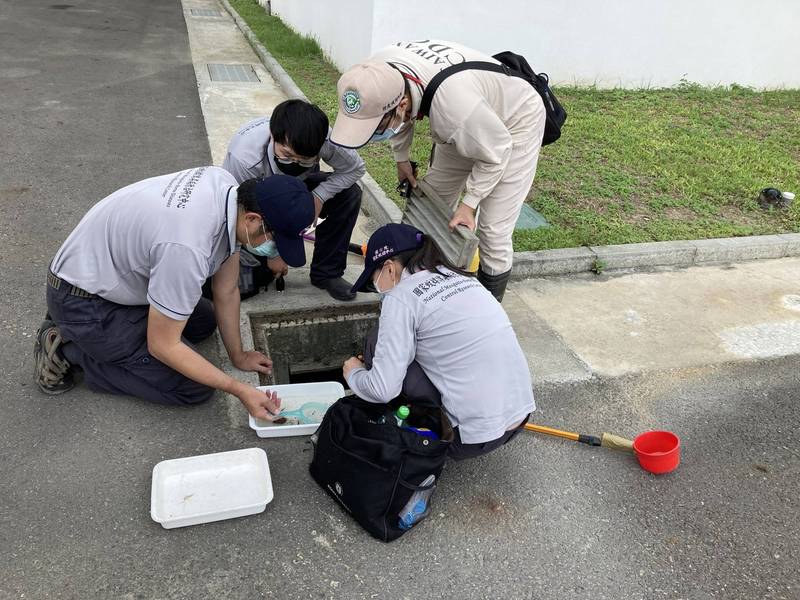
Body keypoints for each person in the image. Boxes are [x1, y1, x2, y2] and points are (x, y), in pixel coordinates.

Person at [34, 167, 314, 421]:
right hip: (83, 302)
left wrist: (238, 356)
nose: (274, 250)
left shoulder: (227, 188)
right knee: (195, 388)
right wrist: (238, 389)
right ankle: (68, 350)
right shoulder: (187, 247)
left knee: (205, 321)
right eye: (275, 240)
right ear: (252, 219)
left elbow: (226, 289)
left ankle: (126, 330)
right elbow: (163, 345)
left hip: (110, 277)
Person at [329, 40, 547, 302]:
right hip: (471, 113)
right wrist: (402, 158)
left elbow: (497, 153)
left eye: (376, 127)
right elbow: (401, 116)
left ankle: (488, 308)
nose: (375, 133)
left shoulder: (454, 111)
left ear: (401, 105)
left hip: (515, 122)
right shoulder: (376, 73)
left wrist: (469, 203)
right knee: (431, 201)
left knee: (493, 229)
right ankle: (419, 288)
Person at [342, 223, 535, 460]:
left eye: (374, 281)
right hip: (520, 417)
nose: (377, 289)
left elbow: (383, 389)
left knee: (376, 342)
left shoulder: (400, 297)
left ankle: (422, 433)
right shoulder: (462, 277)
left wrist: (354, 374)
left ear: (390, 269)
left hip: (469, 440)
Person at [223, 99, 366, 301]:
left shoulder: (324, 139)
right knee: (250, 281)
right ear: (274, 137)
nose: (295, 163)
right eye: (287, 155)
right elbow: (238, 213)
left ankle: (327, 273)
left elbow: (355, 168)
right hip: (258, 198)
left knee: (349, 194)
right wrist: (274, 254)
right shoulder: (244, 158)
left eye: (305, 159)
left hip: (296, 190)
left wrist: (319, 195)